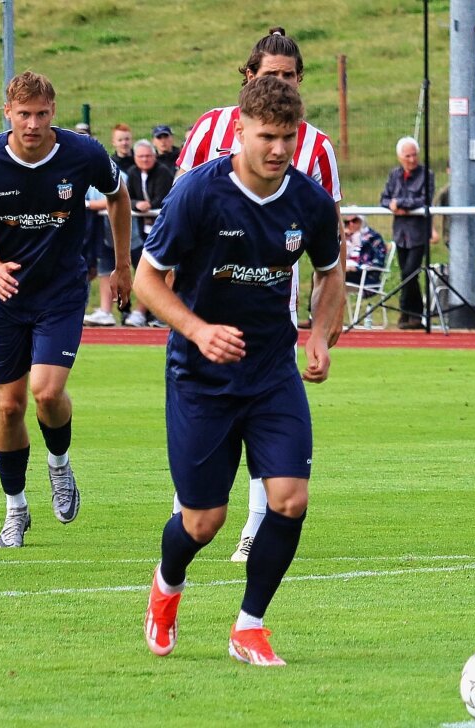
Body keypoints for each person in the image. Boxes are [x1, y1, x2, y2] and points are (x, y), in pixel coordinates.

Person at [135, 76, 344, 665]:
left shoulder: (308, 201)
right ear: (239, 132)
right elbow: (148, 280)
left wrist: (320, 336)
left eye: (288, 138)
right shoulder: (198, 195)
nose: (277, 149)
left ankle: (249, 626)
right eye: (266, 136)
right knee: (203, 521)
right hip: (200, 379)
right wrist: (199, 330)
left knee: (290, 499)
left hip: (272, 371)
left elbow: (331, 271)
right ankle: (167, 584)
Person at [177, 26, 344, 562]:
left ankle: (255, 526)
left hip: (272, 305)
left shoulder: (315, 144)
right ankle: (191, 511)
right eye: (271, 75)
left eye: (290, 77)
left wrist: (321, 329)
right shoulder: (210, 129)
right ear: (249, 77)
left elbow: (326, 238)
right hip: (206, 303)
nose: (281, 84)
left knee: (268, 423)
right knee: (204, 436)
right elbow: (179, 204)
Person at [0, 71, 132, 548]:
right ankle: (15, 508)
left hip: (61, 292)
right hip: (8, 297)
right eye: (23, 114)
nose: (32, 123)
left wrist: (122, 265)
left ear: (52, 112)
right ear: (8, 113)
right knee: (8, 405)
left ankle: (59, 464)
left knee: (46, 393)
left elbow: (119, 196)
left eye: (41, 114)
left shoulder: (83, 153)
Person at [381, 136, 434, 330]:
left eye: (414, 155)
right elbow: (384, 198)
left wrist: (401, 204)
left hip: (418, 233)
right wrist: (392, 205)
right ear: (400, 157)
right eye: (407, 156)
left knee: (410, 272)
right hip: (401, 233)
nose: (412, 159)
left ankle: (408, 312)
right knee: (408, 274)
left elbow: (425, 199)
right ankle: (413, 314)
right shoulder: (394, 175)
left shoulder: (427, 175)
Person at [123, 139, 173, 327]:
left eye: (148, 156)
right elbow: (128, 197)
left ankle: (160, 313)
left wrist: (149, 206)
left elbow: (165, 197)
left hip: (162, 229)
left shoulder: (163, 172)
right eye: (141, 156)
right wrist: (137, 205)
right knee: (144, 272)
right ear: (135, 158)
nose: (145, 160)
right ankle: (143, 312)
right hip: (142, 231)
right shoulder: (132, 173)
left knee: (163, 272)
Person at [344, 214, 386, 285]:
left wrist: (356, 269)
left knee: (334, 276)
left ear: (362, 221)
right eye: (347, 222)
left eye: (354, 220)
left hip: (365, 275)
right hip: (346, 272)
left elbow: (378, 263)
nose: (351, 224)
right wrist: (343, 240)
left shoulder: (373, 237)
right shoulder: (345, 237)